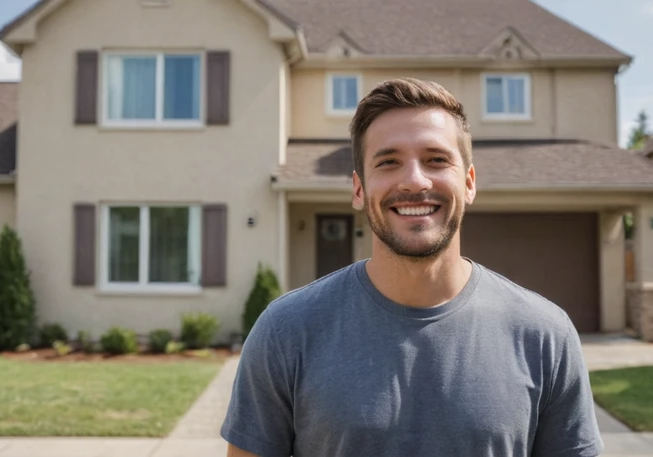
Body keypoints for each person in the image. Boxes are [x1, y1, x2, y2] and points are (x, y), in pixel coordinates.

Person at [220, 78, 603, 457]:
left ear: (468, 183)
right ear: (358, 189)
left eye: (436, 160)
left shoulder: (545, 335)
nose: (415, 180)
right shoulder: (287, 331)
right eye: (389, 162)